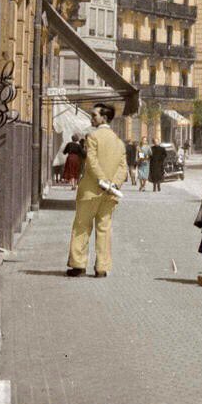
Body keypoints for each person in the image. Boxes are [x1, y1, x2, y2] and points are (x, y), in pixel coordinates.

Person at [66, 103, 127, 277]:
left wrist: (102, 180)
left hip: (91, 191)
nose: (92, 118)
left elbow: (91, 162)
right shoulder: (118, 141)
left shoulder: (92, 137)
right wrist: (113, 184)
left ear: (104, 118)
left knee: (82, 227)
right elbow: (123, 167)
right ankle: (102, 268)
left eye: (94, 115)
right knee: (104, 229)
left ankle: (78, 265)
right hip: (110, 194)